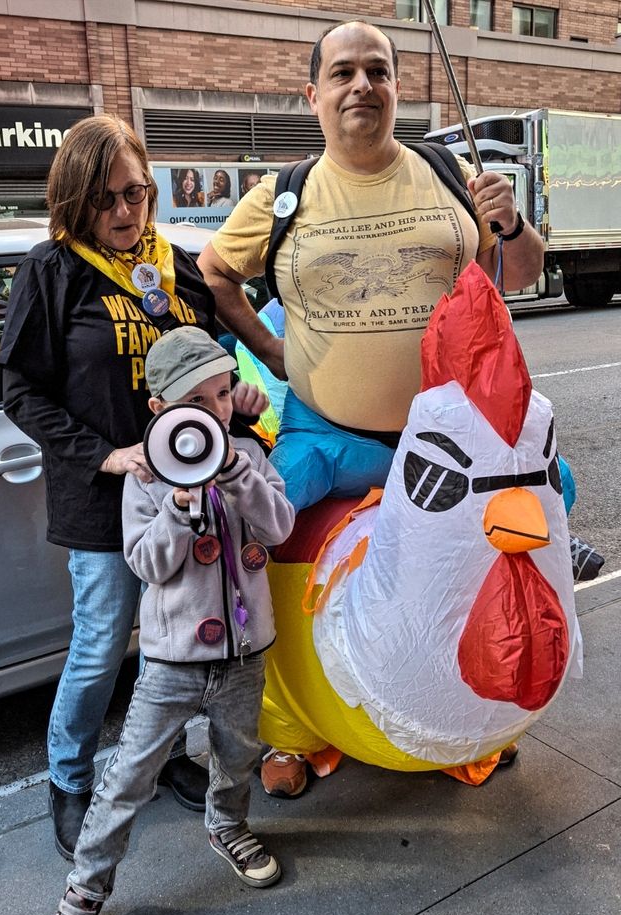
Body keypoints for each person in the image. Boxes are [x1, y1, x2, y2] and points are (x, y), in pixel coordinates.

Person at [198, 19, 544, 796]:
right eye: (345, 72)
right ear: (313, 93)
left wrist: (511, 222)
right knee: (267, 536)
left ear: (396, 87)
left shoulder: (448, 173)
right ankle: (287, 725)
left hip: (447, 437)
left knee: (521, 521)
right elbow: (215, 273)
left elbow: (518, 274)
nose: (364, 85)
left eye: (379, 71)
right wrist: (276, 349)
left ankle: (461, 715)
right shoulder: (282, 195)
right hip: (327, 433)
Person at [0, 114, 268, 859]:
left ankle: (166, 758)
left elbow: (214, 367)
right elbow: (22, 392)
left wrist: (237, 397)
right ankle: (71, 777)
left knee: (171, 647)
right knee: (99, 646)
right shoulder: (52, 271)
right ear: (76, 201)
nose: (124, 212)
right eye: (107, 198)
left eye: (137, 193)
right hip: (104, 501)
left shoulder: (177, 268)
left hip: (193, 495)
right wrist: (107, 456)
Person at [33, 326, 295, 915]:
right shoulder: (148, 478)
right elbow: (145, 562)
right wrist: (179, 510)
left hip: (243, 654)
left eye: (220, 395)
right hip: (172, 663)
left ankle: (226, 825)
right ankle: (83, 895)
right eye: (194, 403)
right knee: (126, 780)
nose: (212, 412)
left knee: (238, 754)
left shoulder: (245, 456)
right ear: (161, 412)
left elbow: (280, 526)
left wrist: (238, 474)